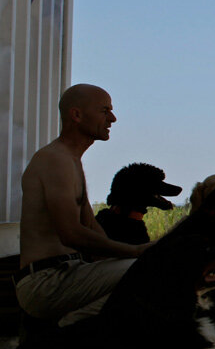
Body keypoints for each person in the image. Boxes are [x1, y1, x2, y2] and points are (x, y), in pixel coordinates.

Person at [16, 84, 149, 327]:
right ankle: (75, 327)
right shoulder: (54, 160)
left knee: (154, 268)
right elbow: (71, 234)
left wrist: (149, 252)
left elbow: (89, 225)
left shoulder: (71, 161)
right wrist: (135, 252)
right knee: (149, 273)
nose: (113, 118)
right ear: (76, 115)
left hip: (71, 272)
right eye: (105, 110)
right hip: (47, 282)